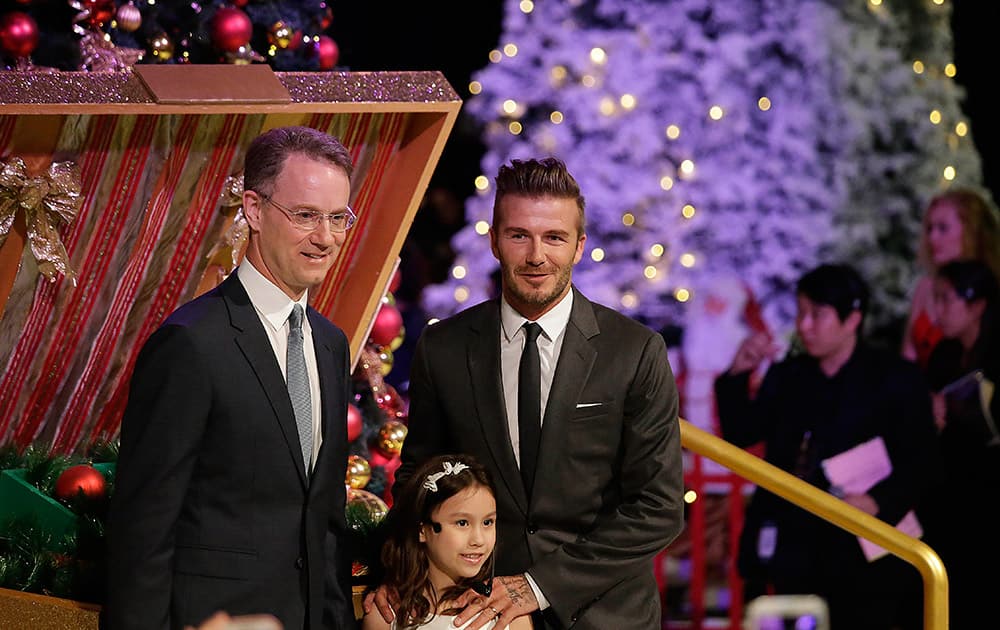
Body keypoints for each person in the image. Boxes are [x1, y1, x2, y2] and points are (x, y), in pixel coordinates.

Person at [367, 156, 684, 630]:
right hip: (478, 614)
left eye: (554, 237)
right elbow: (420, 479)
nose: (537, 255)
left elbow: (658, 507)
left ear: (579, 247)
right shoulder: (445, 347)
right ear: (494, 241)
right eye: (520, 236)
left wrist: (538, 586)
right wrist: (402, 574)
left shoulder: (635, 351)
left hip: (607, 616)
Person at [105, 126, 358, 630]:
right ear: (255, 210)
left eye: (337, 218)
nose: (325, 238)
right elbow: (143, 531)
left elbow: (324, 520)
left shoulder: (331, 344)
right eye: (305, 215)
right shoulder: (191, 344)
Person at [715, 263, 940, 630]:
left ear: (853, 319)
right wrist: (738, 375)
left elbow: (923, 459)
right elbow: (741, 433)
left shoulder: (894, 378)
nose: (804, 325)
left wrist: (878, 501)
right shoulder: (790, 375)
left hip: (866, 545)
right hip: (796, 542)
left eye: (817, 315)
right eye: (801, 313)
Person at [361, 454, 532, 630]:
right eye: (462, 523)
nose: (478, 540)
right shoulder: (385, 616)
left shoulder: (510, 618)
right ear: (422, 530)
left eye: (487, 522)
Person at [920, 259, 1000, 629]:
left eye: (946, 300)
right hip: (952, 492)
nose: (938, 310)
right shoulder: (944, 355)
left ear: (977, 304)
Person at [901, 188, 1000, 368]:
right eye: (930, 229)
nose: (932, 238)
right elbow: (908, 357)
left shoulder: (992, 289)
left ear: (972, 230)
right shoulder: (925, 287)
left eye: (943, 228)